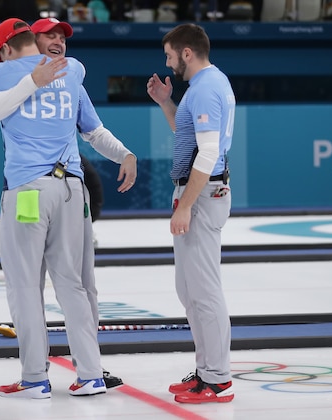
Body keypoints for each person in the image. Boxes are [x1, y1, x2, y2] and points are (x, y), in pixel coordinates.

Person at [0, 17, 137, 390]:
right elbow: (93, 131)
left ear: (2, 49)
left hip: (28, 193)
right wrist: (124, 154)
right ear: (33, 39)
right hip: (71, 192)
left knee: (25, 287)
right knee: (75, 284)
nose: (58, 42)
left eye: (60, 36)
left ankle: (35, 378)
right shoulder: (74, 71)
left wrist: (30, 82)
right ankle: (91, 374)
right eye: (50, 35)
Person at [146, 23, 235, 404]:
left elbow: (210, 154)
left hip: (202, 194)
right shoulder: (200, 89)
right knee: (190, 290)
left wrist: (185, 205)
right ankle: (205, 371)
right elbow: (191, 140)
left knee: (204, 290)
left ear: (186, 52)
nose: (167, 63)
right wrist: (167, 103)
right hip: (198, 192)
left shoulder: (207, 88)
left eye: (169, 55)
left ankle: (218, 379)